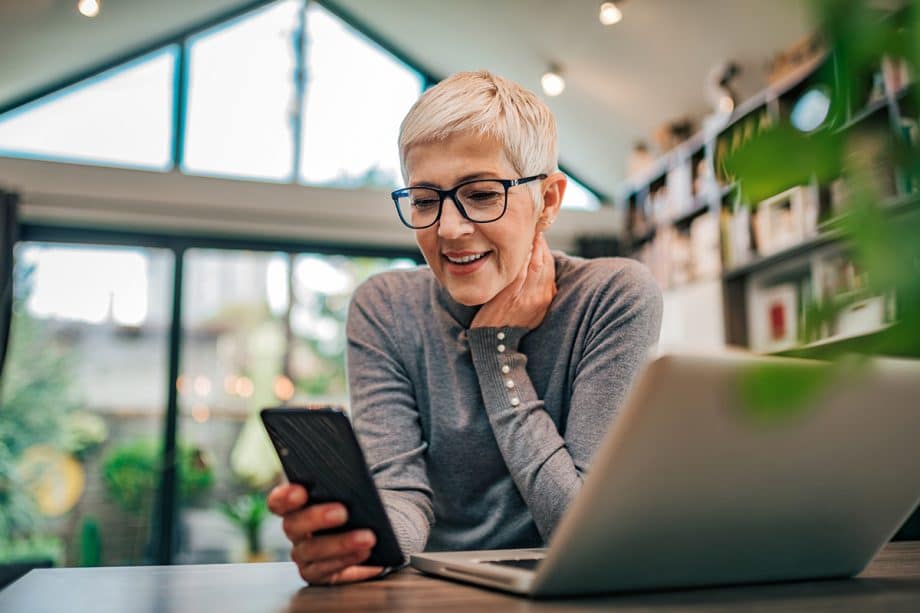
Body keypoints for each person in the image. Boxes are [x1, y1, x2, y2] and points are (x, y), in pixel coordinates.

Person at [267, 70, 663, 585]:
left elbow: (580, 528)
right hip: (435, 596)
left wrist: (495, 350)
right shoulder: (385, 308)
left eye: (480, 194)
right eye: (425, 201)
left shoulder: (613, 298)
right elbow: (403, 496)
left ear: (547, 201)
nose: (449, 229)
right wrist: (362, 538)